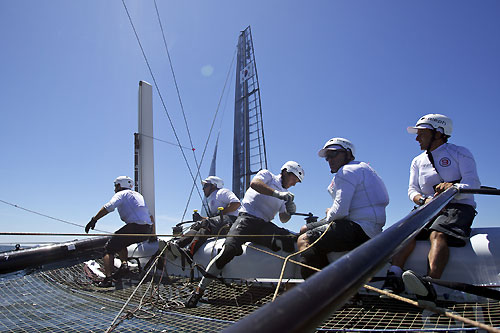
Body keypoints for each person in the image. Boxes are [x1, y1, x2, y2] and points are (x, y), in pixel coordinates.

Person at [382, 114, 480, 306]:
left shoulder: (460, 152)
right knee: (403, 233)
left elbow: (473, 182)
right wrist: (423, 199)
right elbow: (412, 190)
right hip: (427, 207)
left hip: (457, 206)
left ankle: (430, 284)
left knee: (438, 234)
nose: (417, 138)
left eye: (421, 133)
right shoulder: (417, 161)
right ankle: (393, 278)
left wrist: (452, 187)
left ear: (438, 133)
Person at [185, 161, 304, 307]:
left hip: (263, 226)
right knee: (228, 250)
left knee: (290, 241)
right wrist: (278, 194)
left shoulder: (286, 195)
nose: (294, 184)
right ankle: (199, 291)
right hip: (246, 219)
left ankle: (289, 293)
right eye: (294, 180)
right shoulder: (268, 176)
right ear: (286, 172)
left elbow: (283, 219)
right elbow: (255, 184)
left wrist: (289, 211)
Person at [297, 138, 389, 279]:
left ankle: (321, 291)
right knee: (305, 228)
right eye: (327, 157)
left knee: (304, 239)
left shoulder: (346, 171)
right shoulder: (364, 168)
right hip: (370, 227)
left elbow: (340, 211)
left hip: (359, 228)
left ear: (348, 154)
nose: (330, 160)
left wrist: (329, 212)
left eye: (334, 154)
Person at [85, 176, 154, 288]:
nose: (114, 189)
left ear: (119, 185)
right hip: (147, 229)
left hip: (135, 227)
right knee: (121, 240)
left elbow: (109, 207)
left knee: (108, 248)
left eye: (115, 186)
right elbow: (151, 217)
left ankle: (108, 279)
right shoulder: (138, 195)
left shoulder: (121, 194)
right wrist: (153, 235)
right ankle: (124, 266)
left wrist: (94, 220)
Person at [168, 176, 241, 261]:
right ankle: (177, 245)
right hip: (221, 223)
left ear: (214, 185)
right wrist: (200, 218)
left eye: (205, 186)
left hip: (232, 221)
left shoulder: (222, 192)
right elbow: (212, 219)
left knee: (206, 224)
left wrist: (221, 212)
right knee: (197, 226)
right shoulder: (211, 199)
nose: (203, 189)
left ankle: (189, 253)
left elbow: (236, 203)